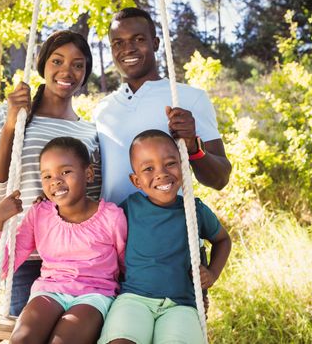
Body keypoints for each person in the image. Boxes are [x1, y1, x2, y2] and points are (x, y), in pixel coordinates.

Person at [0, 30, 102, 316]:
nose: (66, 71)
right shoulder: (11, 115)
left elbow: (93, 200)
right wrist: (11, 124)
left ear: (85, 73)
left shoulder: (89, 132)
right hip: (25, 255)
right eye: (57, 61)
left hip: (75, 258)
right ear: (42, 63)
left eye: (78, 64)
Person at [0, 137, 127, 344]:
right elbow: (3, 268)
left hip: (95, 295)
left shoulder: (112, 217)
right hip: (49, 291)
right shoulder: (39, 214)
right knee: (23, 339)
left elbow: (126, 266)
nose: (55, 180)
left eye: (65, 172)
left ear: (88, 174)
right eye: (47, 176)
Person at [98, 130, 231, 344]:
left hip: (181, 305)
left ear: (183, 166)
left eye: (170, 163)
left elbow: (223, 240)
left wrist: (213, 273)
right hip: (134, 299)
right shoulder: (128, 209)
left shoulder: (193, 210)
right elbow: (97, 232)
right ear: (136, 180)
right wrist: (47, 208)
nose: (161, 174)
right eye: (149, 169)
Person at [94, 7, 232, 205]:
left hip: (169, 232)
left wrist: (193, 147)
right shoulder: (102, 109)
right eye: (118, 43)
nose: (128, 48)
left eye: (139, 39)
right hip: (114, 232)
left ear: (156, 43)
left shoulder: (190, 98)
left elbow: (220, 179)